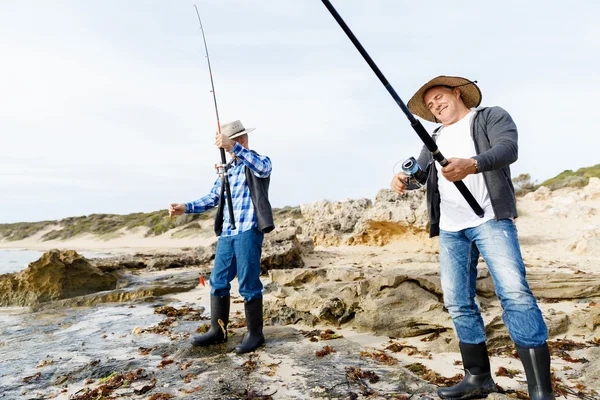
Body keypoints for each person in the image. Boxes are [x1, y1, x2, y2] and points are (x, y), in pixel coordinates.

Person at [391, 76, 553, 400]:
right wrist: (403, 180)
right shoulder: (434, 136)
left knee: (514, 294)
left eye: (439, 98)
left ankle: (540, 390)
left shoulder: (489, 117)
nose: (435, 106)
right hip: (452, 228)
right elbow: (421, 176)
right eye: (430, 105)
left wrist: (472, 165)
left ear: (456, 92)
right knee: (457, 301)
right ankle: (478, 377)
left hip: (491, 219)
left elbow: (508, 149)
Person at [169, 119, 274, 354]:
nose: (240, 143)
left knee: (248, 283)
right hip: (228, 233)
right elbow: (212, 198)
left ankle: (255, 334)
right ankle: (218, 331)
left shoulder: (257, 160)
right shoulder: (228, 170)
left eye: (239, 140)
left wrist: (234, 148)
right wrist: (185, 207)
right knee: (218, 281)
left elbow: (263, 168)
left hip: (249, 230)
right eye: (235, 141)